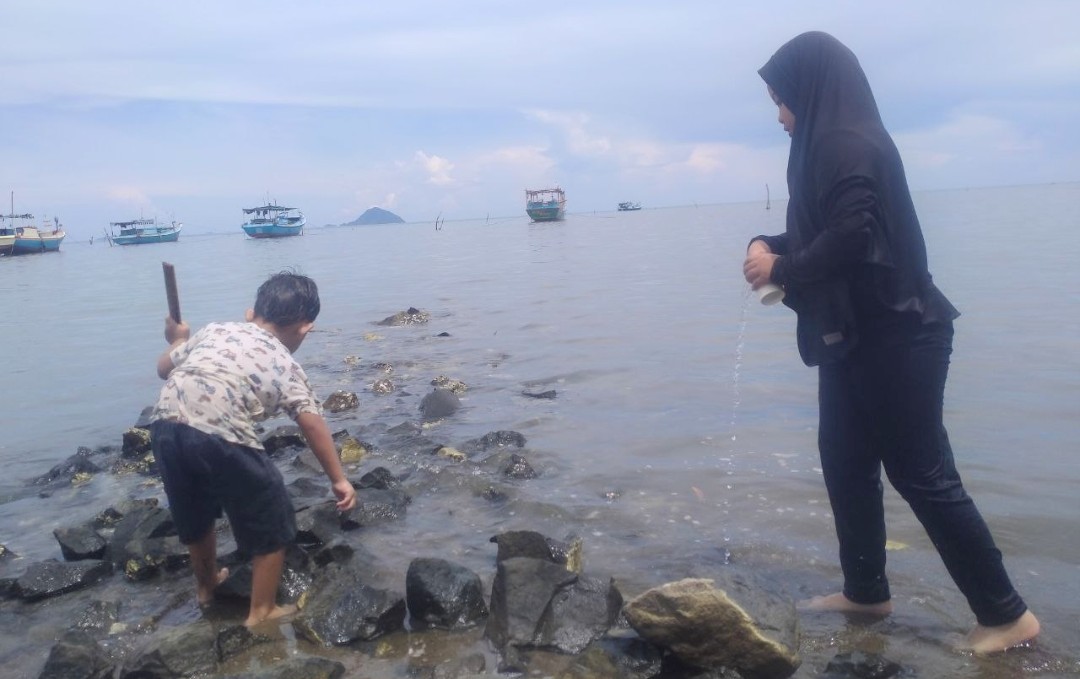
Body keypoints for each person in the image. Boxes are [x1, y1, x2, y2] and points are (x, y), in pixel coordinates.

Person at [742, 31, 1039, 654]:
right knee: (845, 462)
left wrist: (784, 271)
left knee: (922, 474)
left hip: (902, 335)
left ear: (809, 90)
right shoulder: (829, 143)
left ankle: (1007, 616)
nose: (778, 116)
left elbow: (854, 234)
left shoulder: (850, 144)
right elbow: (824, 229)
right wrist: (766, 244)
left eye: (781, 100)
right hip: (856, 339)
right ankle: (866, 592)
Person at [149, 271, 357, 628]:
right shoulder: (286, 364)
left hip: (166, 426)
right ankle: (261, 611)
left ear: (251, 313)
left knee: (194, 516)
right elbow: (311, 422)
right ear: (306, 328)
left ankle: (206, 587)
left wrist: (176, 339)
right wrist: (339, 479)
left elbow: (163, 368)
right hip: (220, 434)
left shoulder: (214, 330)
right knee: (272, 516)